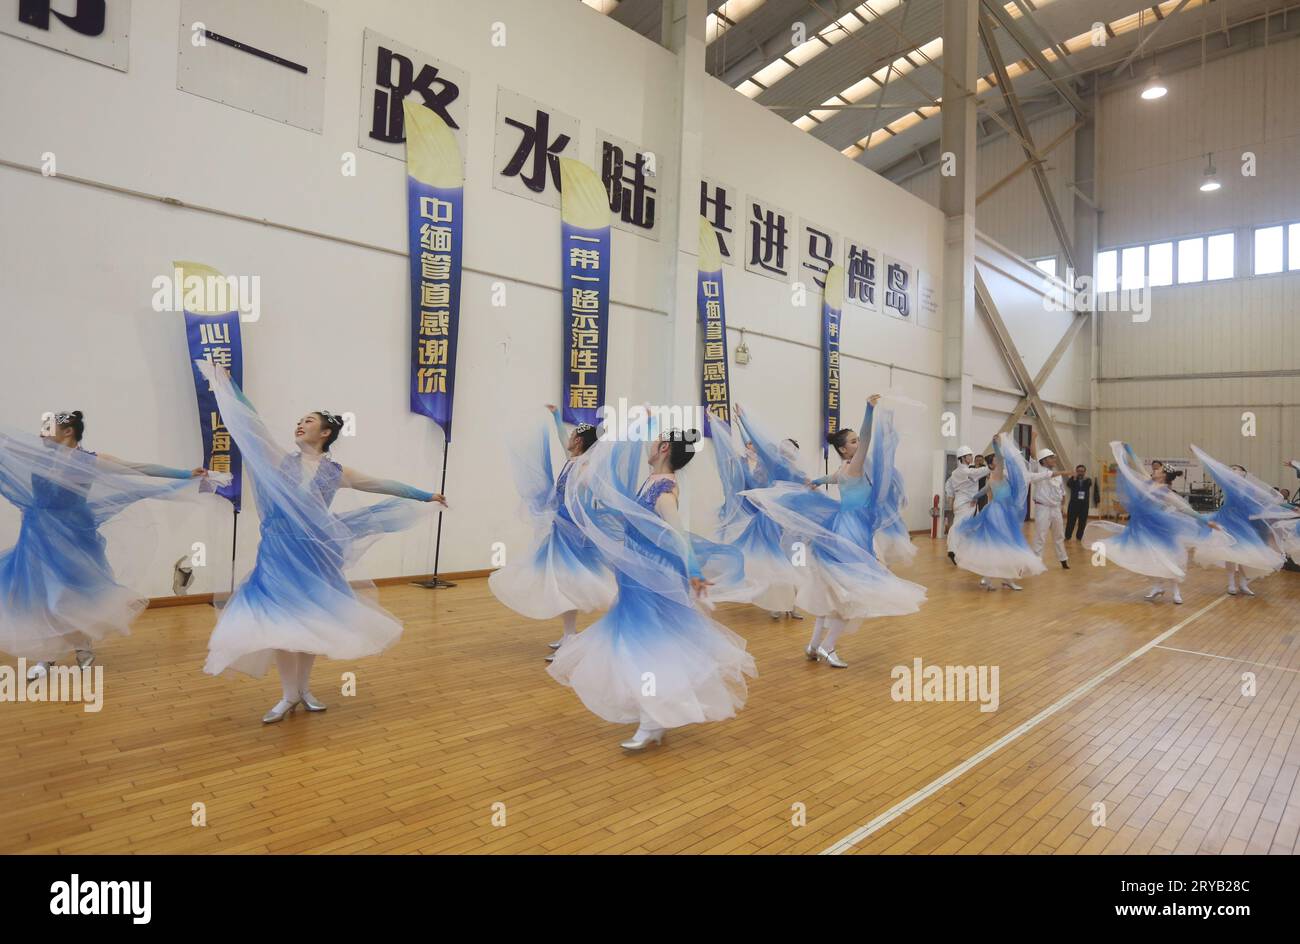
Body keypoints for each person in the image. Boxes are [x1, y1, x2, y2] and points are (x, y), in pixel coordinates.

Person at [197, 362, 446, 724]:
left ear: (326, 432)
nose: (300, 424)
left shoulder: (337, 472)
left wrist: (425, 495)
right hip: (279, 553)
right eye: (299, 420)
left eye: (309, 420)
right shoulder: (279, 460)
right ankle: (287, 695)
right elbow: (253, 427)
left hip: (315, 553)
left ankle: (303, 690)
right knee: (282, 626)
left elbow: (382, 484)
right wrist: (229, 386)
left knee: (310, 622)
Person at [548, 420, 755, 751]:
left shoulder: (664, 490)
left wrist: (693, 572)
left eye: (654, 440)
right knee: (640, 645)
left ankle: (652, 720)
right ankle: (654, 716)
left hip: (650, 579)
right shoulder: (653, 480)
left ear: (664, 449)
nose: (648, 445)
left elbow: (677, 534)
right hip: (636, 576)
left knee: (643, 647)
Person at [0, 411, 217, 678]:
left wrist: (185, 473)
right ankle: (47, 656)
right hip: (37, 535)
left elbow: (138, 468)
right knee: (42, 596)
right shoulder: (39, 459)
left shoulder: (91, 461)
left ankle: (82, 645)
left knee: (73, 595)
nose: (41, 434)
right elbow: (7, 453)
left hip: (74, 535)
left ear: (68, 432)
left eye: (48, 428)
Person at [744, 395, 925, 669]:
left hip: (845, 526)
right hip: (851, 530)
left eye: (856, 440)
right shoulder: (856, 464)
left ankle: (814, 646)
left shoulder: (844, 468)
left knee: (834, 592)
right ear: (844, 449)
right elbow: (866, 437)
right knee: (848, 594)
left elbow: (832, 478)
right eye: (852, 442)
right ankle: (828, 648)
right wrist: (868, 410)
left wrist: (815, 481)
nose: (858, 444)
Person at [489, 405, 614, 662]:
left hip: (572, 533)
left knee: (566, 583)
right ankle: (569, 633)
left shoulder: (584, 466)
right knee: (562, 582)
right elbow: (561, 438)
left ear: (578, 440)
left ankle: (571, 637)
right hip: (562, 529)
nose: (566, 439)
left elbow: (588, 497)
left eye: (571, 436)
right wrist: (557, 416)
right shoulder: (573, 461)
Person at [1083, 442, 1226, 604]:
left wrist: (1207, 522)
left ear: (1163, 475)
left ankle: (1176, 591)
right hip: (1140, 525)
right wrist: (1129, 450)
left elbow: (1186, 510)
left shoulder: (1167, 493)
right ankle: (1157, 586)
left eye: (1158, 470)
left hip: (1158, 527)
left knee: (1166, 558)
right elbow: (1137, 464)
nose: (1155, 470)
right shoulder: (1146, 481)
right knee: (1145, 556)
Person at [708, 406, 805, 621]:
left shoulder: (796, 473)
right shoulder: (773, 467)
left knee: (793, 563)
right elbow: (754, 444)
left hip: (789, 525)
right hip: (772, 522)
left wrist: (742, 422)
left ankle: (792, 606)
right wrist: (741, 422)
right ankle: (780, 604)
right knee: (777, 564)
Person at [948, 433, 1046, 591]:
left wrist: (974, 497)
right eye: (996, 461)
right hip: (998, 513)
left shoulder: (993, 477)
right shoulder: (997, 473)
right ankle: (1003, 579)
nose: (999, 462)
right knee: (1004, 545)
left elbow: (982, 491)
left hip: (1000, 512)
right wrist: (995, 444)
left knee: (996, 546)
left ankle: (992, 579)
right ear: (993, 464)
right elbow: (999, 460)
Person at [1190, 447, 1286, 595]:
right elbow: (1213, 469)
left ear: (1243, 472)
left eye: (1236, 468)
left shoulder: (1250, 489)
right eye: (1231, 469)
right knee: (1230, 553)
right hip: (1227, 521)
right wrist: (1198, 454)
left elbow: (1260, 502)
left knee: (1244, 554)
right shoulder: (1228, 485)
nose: (1233, 470)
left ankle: (1242, 584)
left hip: (1243, 523)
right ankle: (1231, 584)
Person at [1027, 431, 1071, 569]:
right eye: (1051, 458)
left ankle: (1063, 559)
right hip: (1043, 508)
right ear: (1044, 460)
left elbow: (1062, 492)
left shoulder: (1057, 475)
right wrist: (1034, 438)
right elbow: (1034, 454)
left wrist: (1063, 506)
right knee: (1040, 535)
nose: (1054, 460)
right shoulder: (1037, 469)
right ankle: (1036, 561)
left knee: (1059, 535)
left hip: (1056, 508)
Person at [944, 445, 989, 565]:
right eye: (969, 455)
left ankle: (968, 552)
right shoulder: (965, 471)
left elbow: (948, 486)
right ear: (963, 458)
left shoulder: (955, 472)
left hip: (967, 503)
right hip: (964, 504)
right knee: (958, 526)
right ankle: (952, 550)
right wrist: (993, 465)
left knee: (972, 527)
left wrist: (950, 499)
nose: (971, 457)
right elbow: (981, 471)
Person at [1064, 464, 1092, 541]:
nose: (1080, 473)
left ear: (1085, 472)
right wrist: (1074, 478)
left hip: (1084, 505)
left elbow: (1089, 484)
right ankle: (1067, 536)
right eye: (1079, 471)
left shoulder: (1088, 480)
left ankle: (1079, 537)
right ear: (1076, 471)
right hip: (1073, 504)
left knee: (1082, 522)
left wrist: (1083, 479)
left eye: (1082, 471)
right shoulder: (1072, 479)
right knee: (1070, 522)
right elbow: (1069, 485)